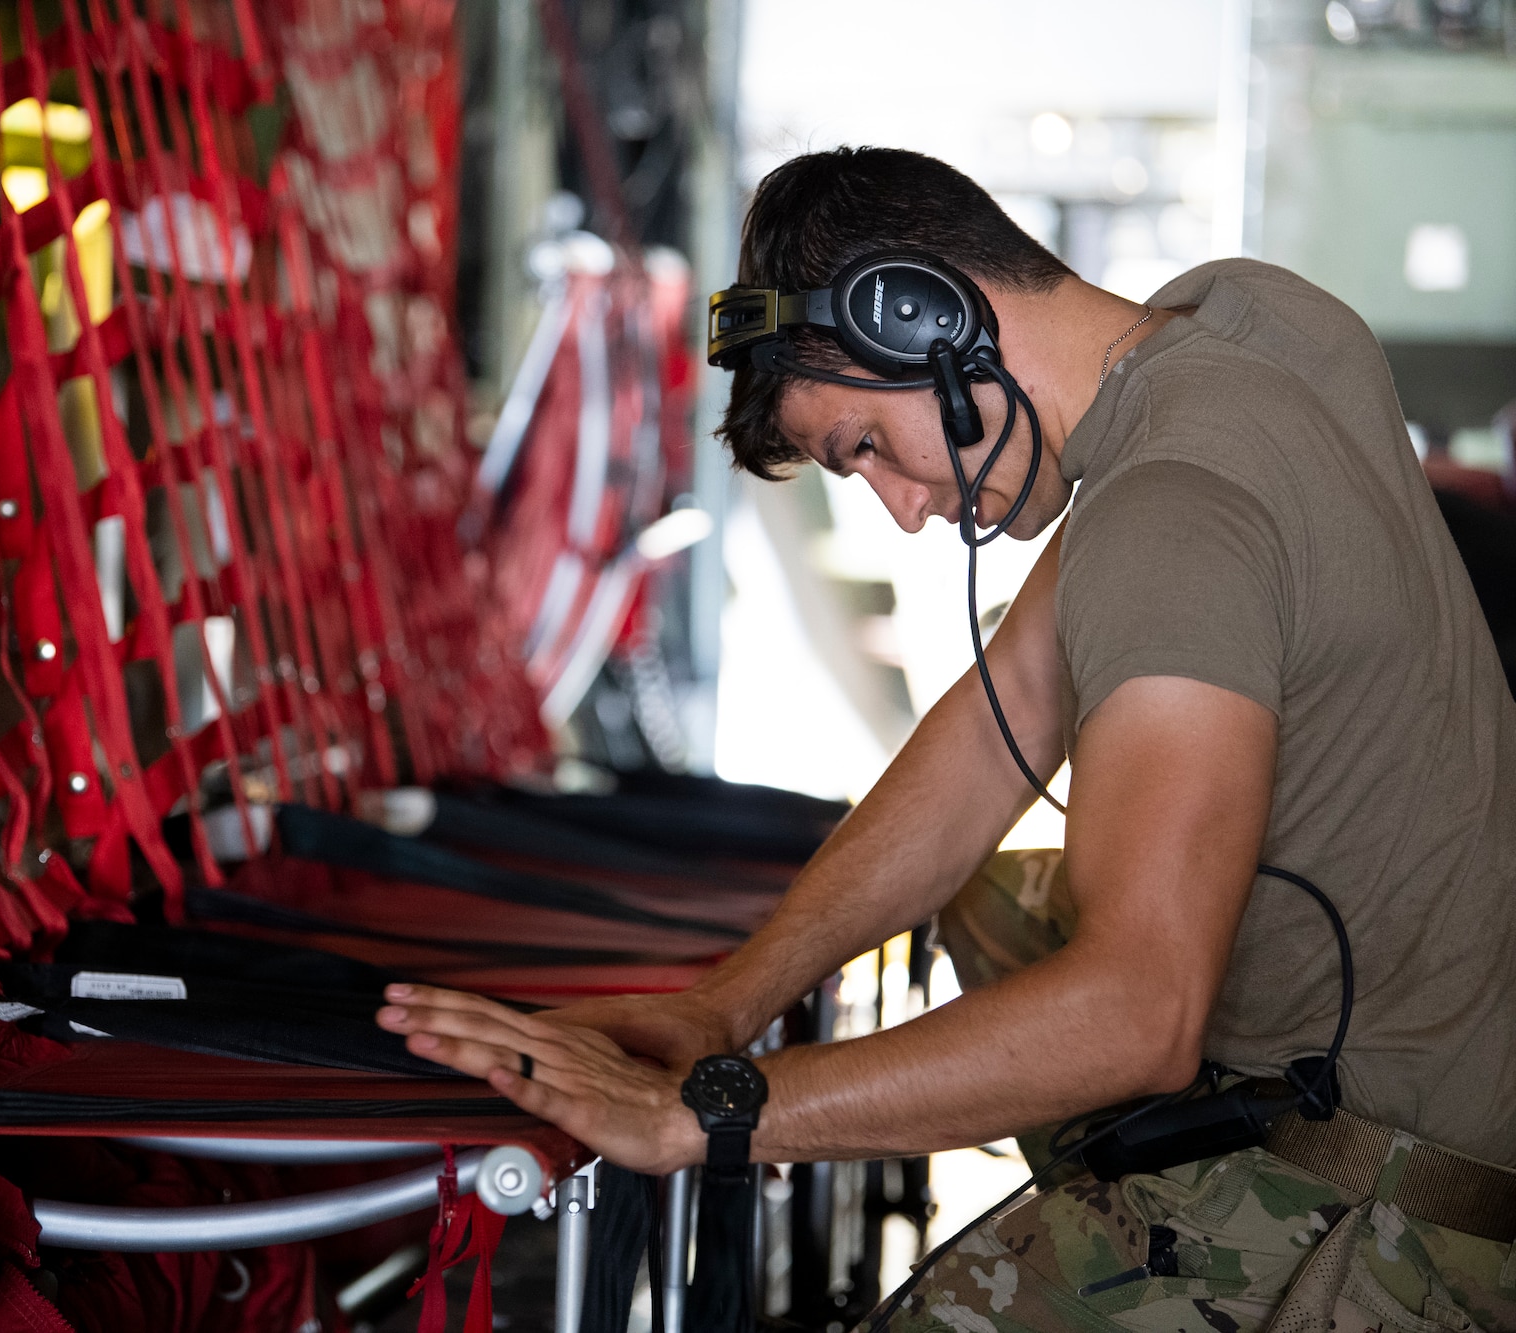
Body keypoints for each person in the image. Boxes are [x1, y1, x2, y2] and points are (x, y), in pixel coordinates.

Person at [379, 147, 1516, 1331]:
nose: (905, 508)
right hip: (1453, 1061)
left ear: (925, 317)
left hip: (1399, 1210)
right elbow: (998, 721)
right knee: (988, 894)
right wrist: (723, 1004)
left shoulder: (1168, 512)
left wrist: (707, 1110)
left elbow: (1138, 1010)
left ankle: (1178, 1217)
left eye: (864, 445)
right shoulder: (1254, 318)